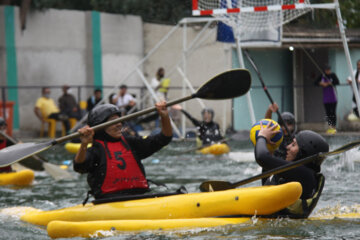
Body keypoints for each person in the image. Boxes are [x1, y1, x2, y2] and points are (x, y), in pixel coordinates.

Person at [73, 101, 172, 200]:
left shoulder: (131, 143)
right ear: (99, 126)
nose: (119, 124)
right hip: (109, 201)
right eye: (113, 121)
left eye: (119, 120)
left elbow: (164, 139)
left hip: (140, 197)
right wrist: (84, 144)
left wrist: (164, 116)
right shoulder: (95, 151)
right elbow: (79, 167)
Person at [255, 122, 329, 218]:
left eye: (294, 145)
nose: (288, 147)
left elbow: (262, 157)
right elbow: (266, 187)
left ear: (303, 153)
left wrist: (261, 137)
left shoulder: (304, 174)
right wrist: (270, 150)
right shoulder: (297, 173)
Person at [315, 65, 339, 134]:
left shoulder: (332, 75)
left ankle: (334, 126)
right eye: (326, 70)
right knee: (328, 113)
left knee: (333, 112)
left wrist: (329, 83)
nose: (328, 71)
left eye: (328, 70)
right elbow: (315, 82)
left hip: (333, 98)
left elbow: (337, 82)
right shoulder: (322, 76)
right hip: (326, 98)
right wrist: (321, 83)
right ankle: (330, 126)